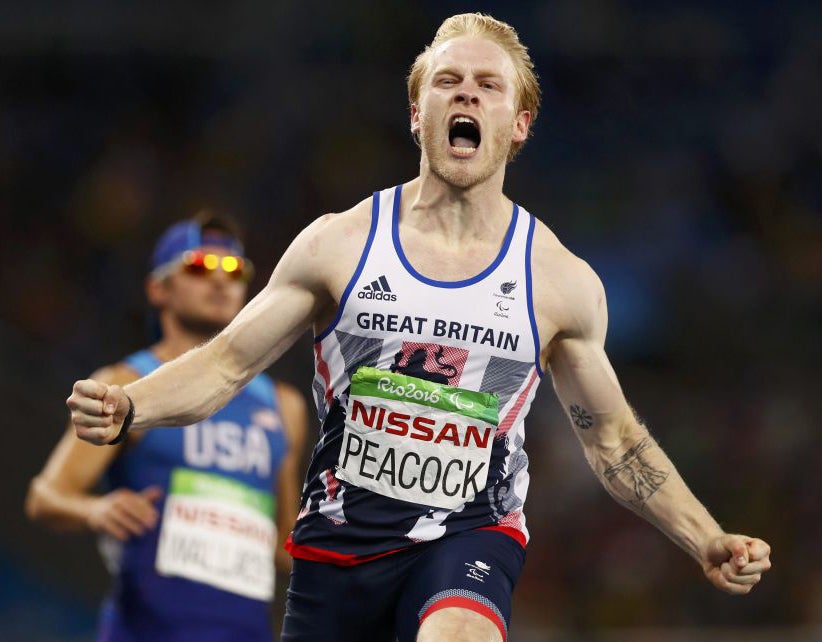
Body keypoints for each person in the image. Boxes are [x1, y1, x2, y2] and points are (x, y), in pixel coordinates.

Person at [66, 13, 772, 642]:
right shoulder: (336, 245)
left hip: (466, 536)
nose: (467, 94)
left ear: (519, 122)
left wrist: (704, 535)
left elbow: (614, 440)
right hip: (336, 548)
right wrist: (134, 406)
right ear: (417, 111)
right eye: (449, 81)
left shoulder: (559, 282)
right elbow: (223, 366)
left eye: (489, 86)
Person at [29, 212, 308, 642]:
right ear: (158, 288)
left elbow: (285, 542)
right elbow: (45, 496)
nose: (220, 281)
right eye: (199, 267)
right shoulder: (125, 386)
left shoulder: (284, 405)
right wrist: (96, 510)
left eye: (234, 270)